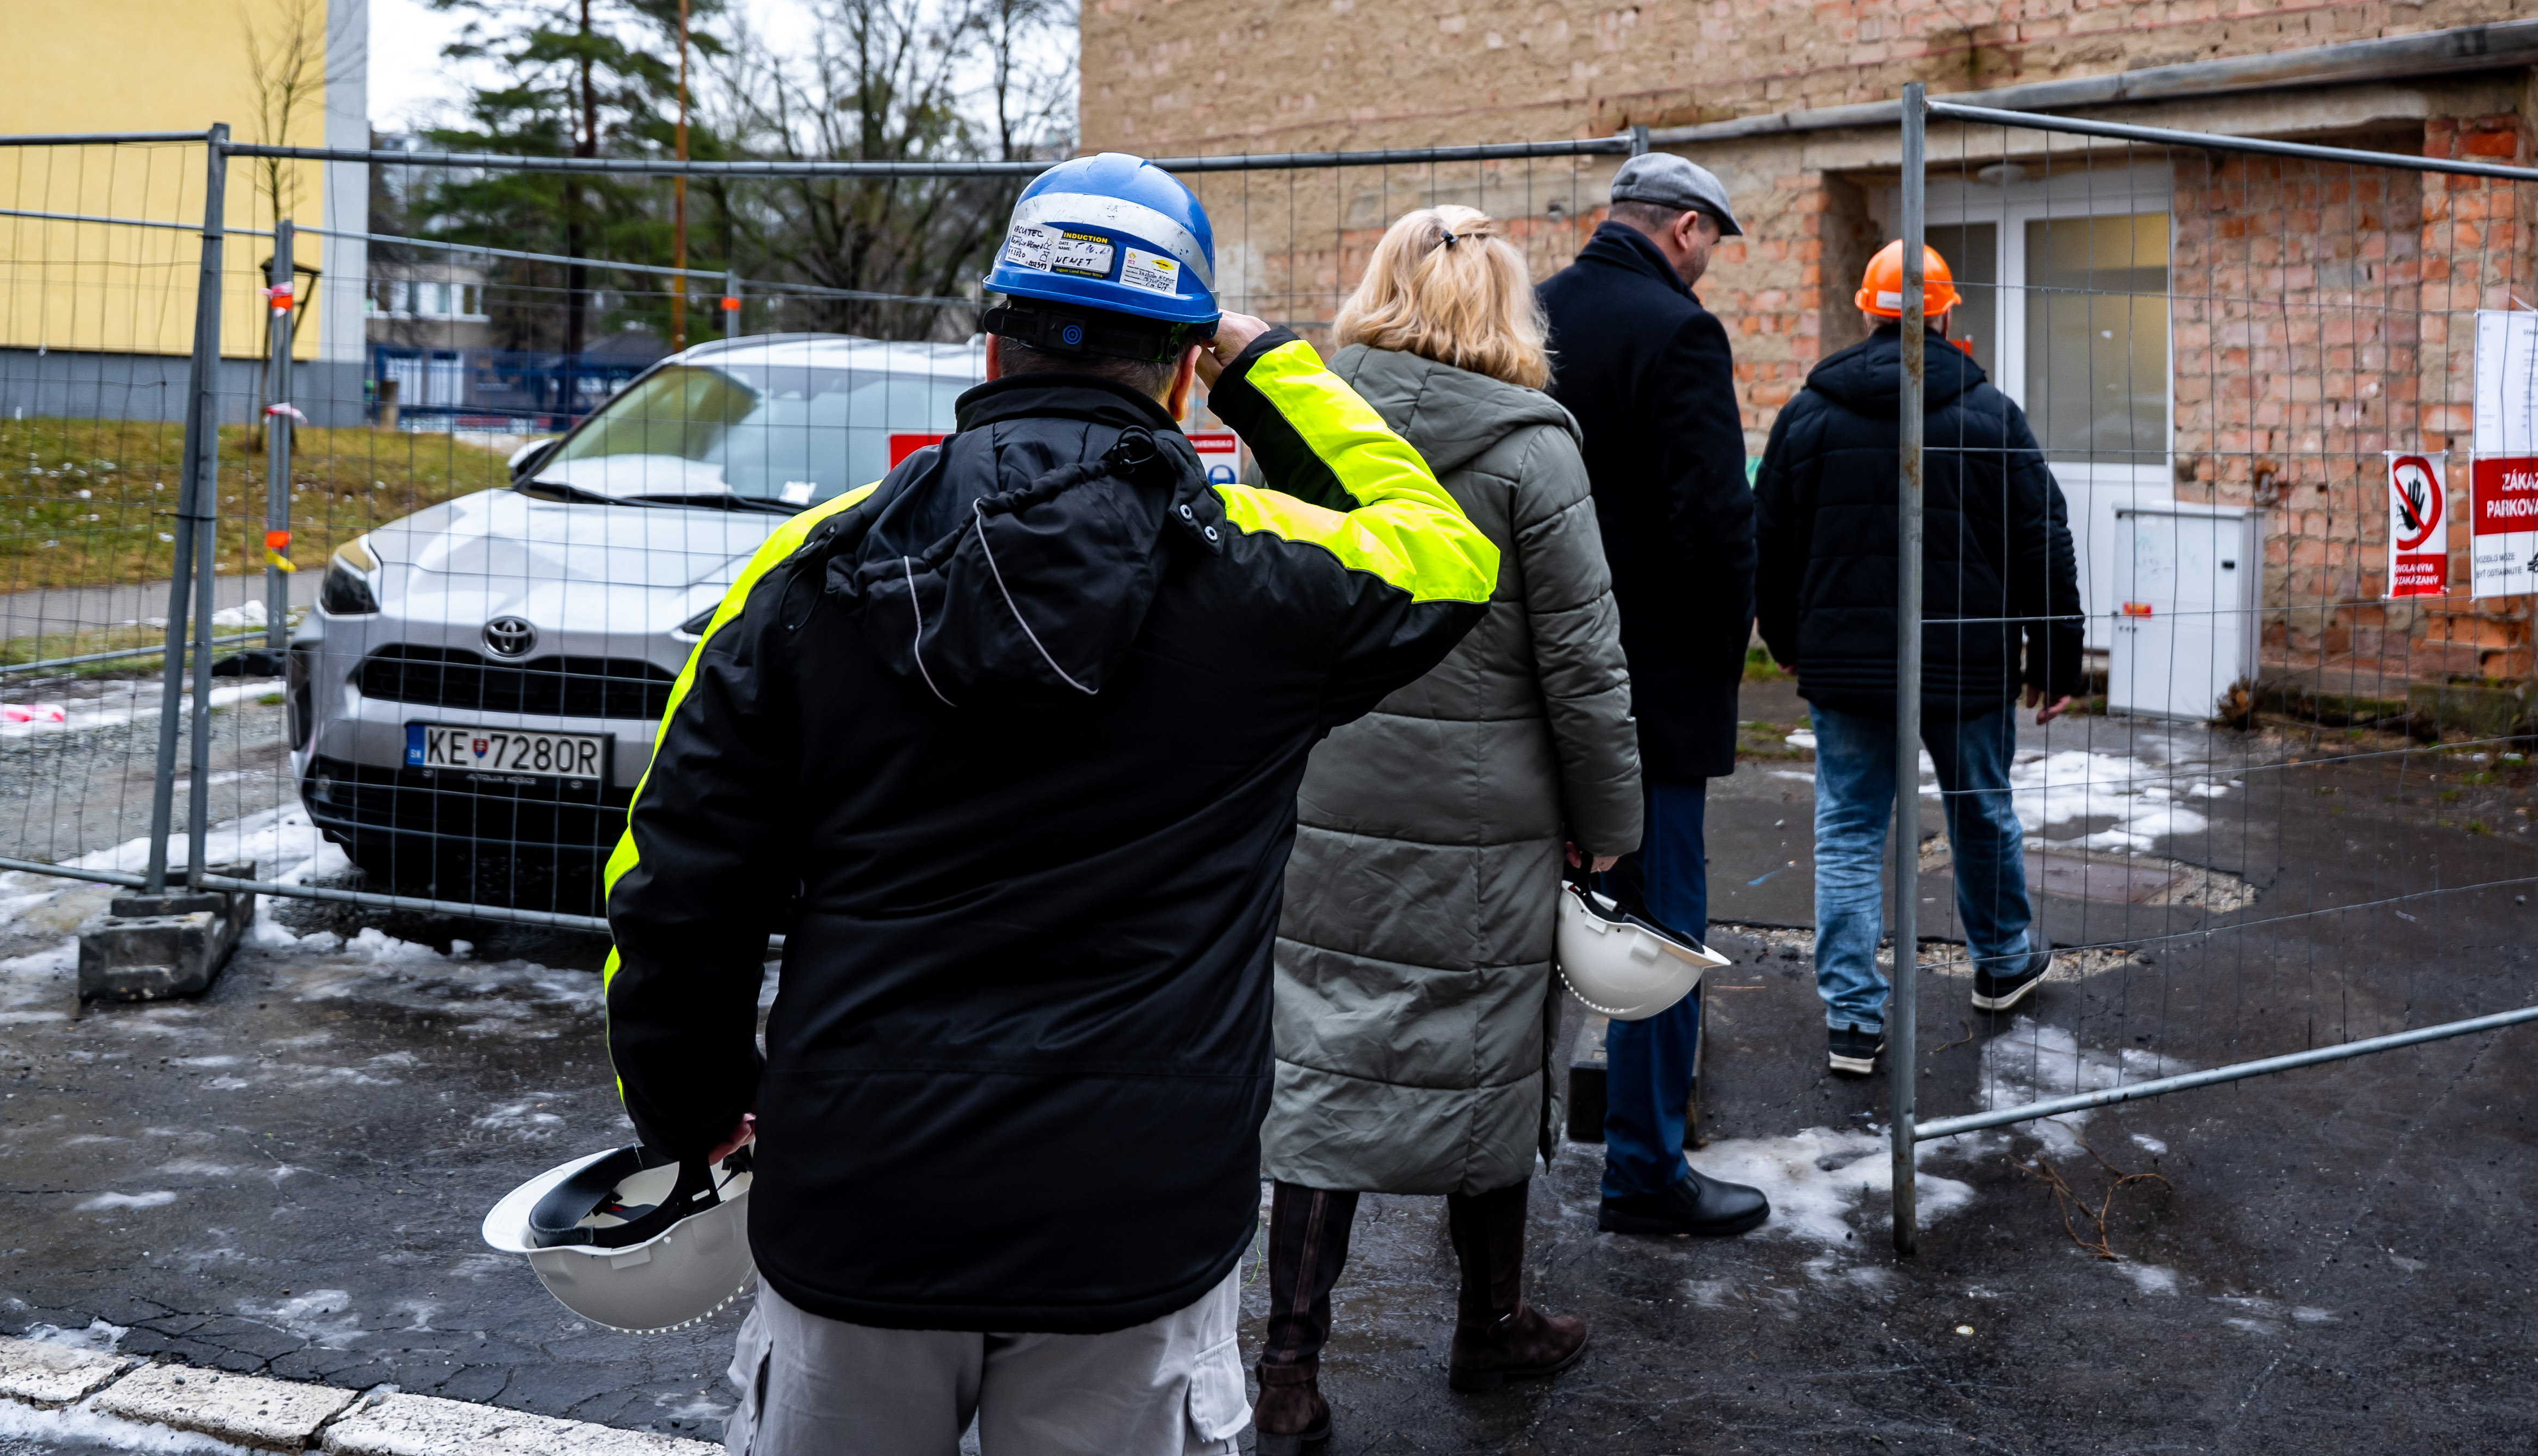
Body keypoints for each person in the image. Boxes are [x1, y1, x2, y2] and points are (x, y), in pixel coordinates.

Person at [601, 153, 1501, 1456]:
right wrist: (1266, 362)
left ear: (990, 346)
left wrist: (689, 1109)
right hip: (1133, 1216)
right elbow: (1447, 550)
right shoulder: (1269, 576)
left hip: (861, 1198)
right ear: (1182, 373)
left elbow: (676, 878)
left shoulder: (817, 563)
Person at [1249, 206, 1648, 1451]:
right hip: (1489, 822)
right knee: (1492, 1065)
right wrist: (1609, 823)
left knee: (1324, 1071)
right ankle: (1493, 1321)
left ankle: (1289, 1368)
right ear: (1506, 307)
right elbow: (1584, 662)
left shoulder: (1307, 426)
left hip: (1325, 802)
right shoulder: (1533, 450)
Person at [1753, 240, 2085, 1075]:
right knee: (1981, 811)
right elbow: (2043, 542)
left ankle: (1854, 1020)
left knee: (1849, 831)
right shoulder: (1992, 415)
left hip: (1849, 670)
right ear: (1943, 314)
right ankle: (2002, 962)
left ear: (1868, 311)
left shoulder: (1809, 415)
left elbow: (1767, 545)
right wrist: (2057, 660)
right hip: (1969, 668)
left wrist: (1789, 642)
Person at [1530, 152, 1768, 1240]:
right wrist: (1720, 658)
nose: (1709, 262)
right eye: (1711, 241)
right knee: (1657, 927)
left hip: (1531, 674)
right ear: (1683, 230)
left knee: (1519, 924)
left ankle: (1489, 1173)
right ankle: (1642, 1170)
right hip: (1652, 691)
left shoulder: (1533, 313)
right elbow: (1716, 523)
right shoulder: (1680, 332)